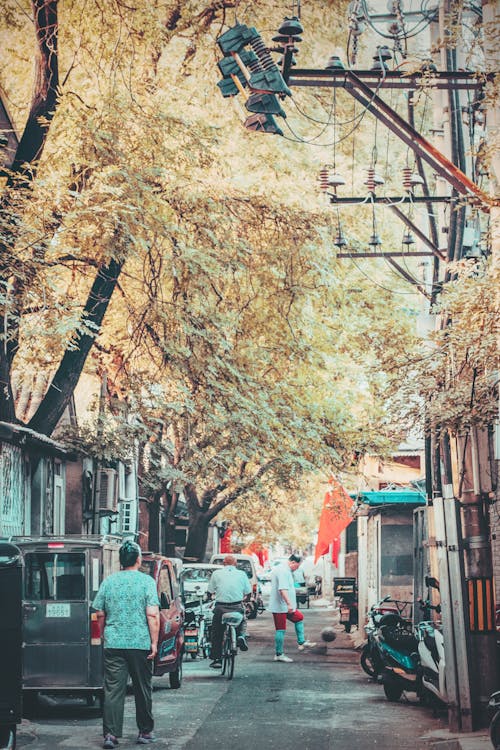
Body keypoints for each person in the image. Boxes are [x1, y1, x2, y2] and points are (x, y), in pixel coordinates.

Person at [92, 540, 160, 748]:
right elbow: (153, 615)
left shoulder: (109, 582)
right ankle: (145, 732)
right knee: (142, 688)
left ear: (121, 561)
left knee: (113, 690)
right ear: (138, 560)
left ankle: (111, 735)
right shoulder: (146, 582)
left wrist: (104, 635)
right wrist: (154, 642)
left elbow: (99, 613)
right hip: (140, 643)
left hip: (114, 643)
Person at [207, 554, 252, 669]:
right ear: (235, 564)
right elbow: (248, 593)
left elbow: (210, 591)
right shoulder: (242, 574)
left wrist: (209, 597)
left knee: (216, 632)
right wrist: (245, 600)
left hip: (220, 608)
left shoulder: (216, 574)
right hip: (236, 606)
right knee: (242, 620)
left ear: (223, 563)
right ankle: (240, 636)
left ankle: (217, 659)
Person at [269, 554, 317, 663]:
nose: (297, 568)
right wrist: (289, 604)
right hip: (281, 606)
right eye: (297, 566)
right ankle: (279, 654)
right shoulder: (283, 571)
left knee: (299, 617)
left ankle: (302, 641)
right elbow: (282, 589)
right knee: (280, 629)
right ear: (293, 562)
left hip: (284, 606)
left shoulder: (285, 570)